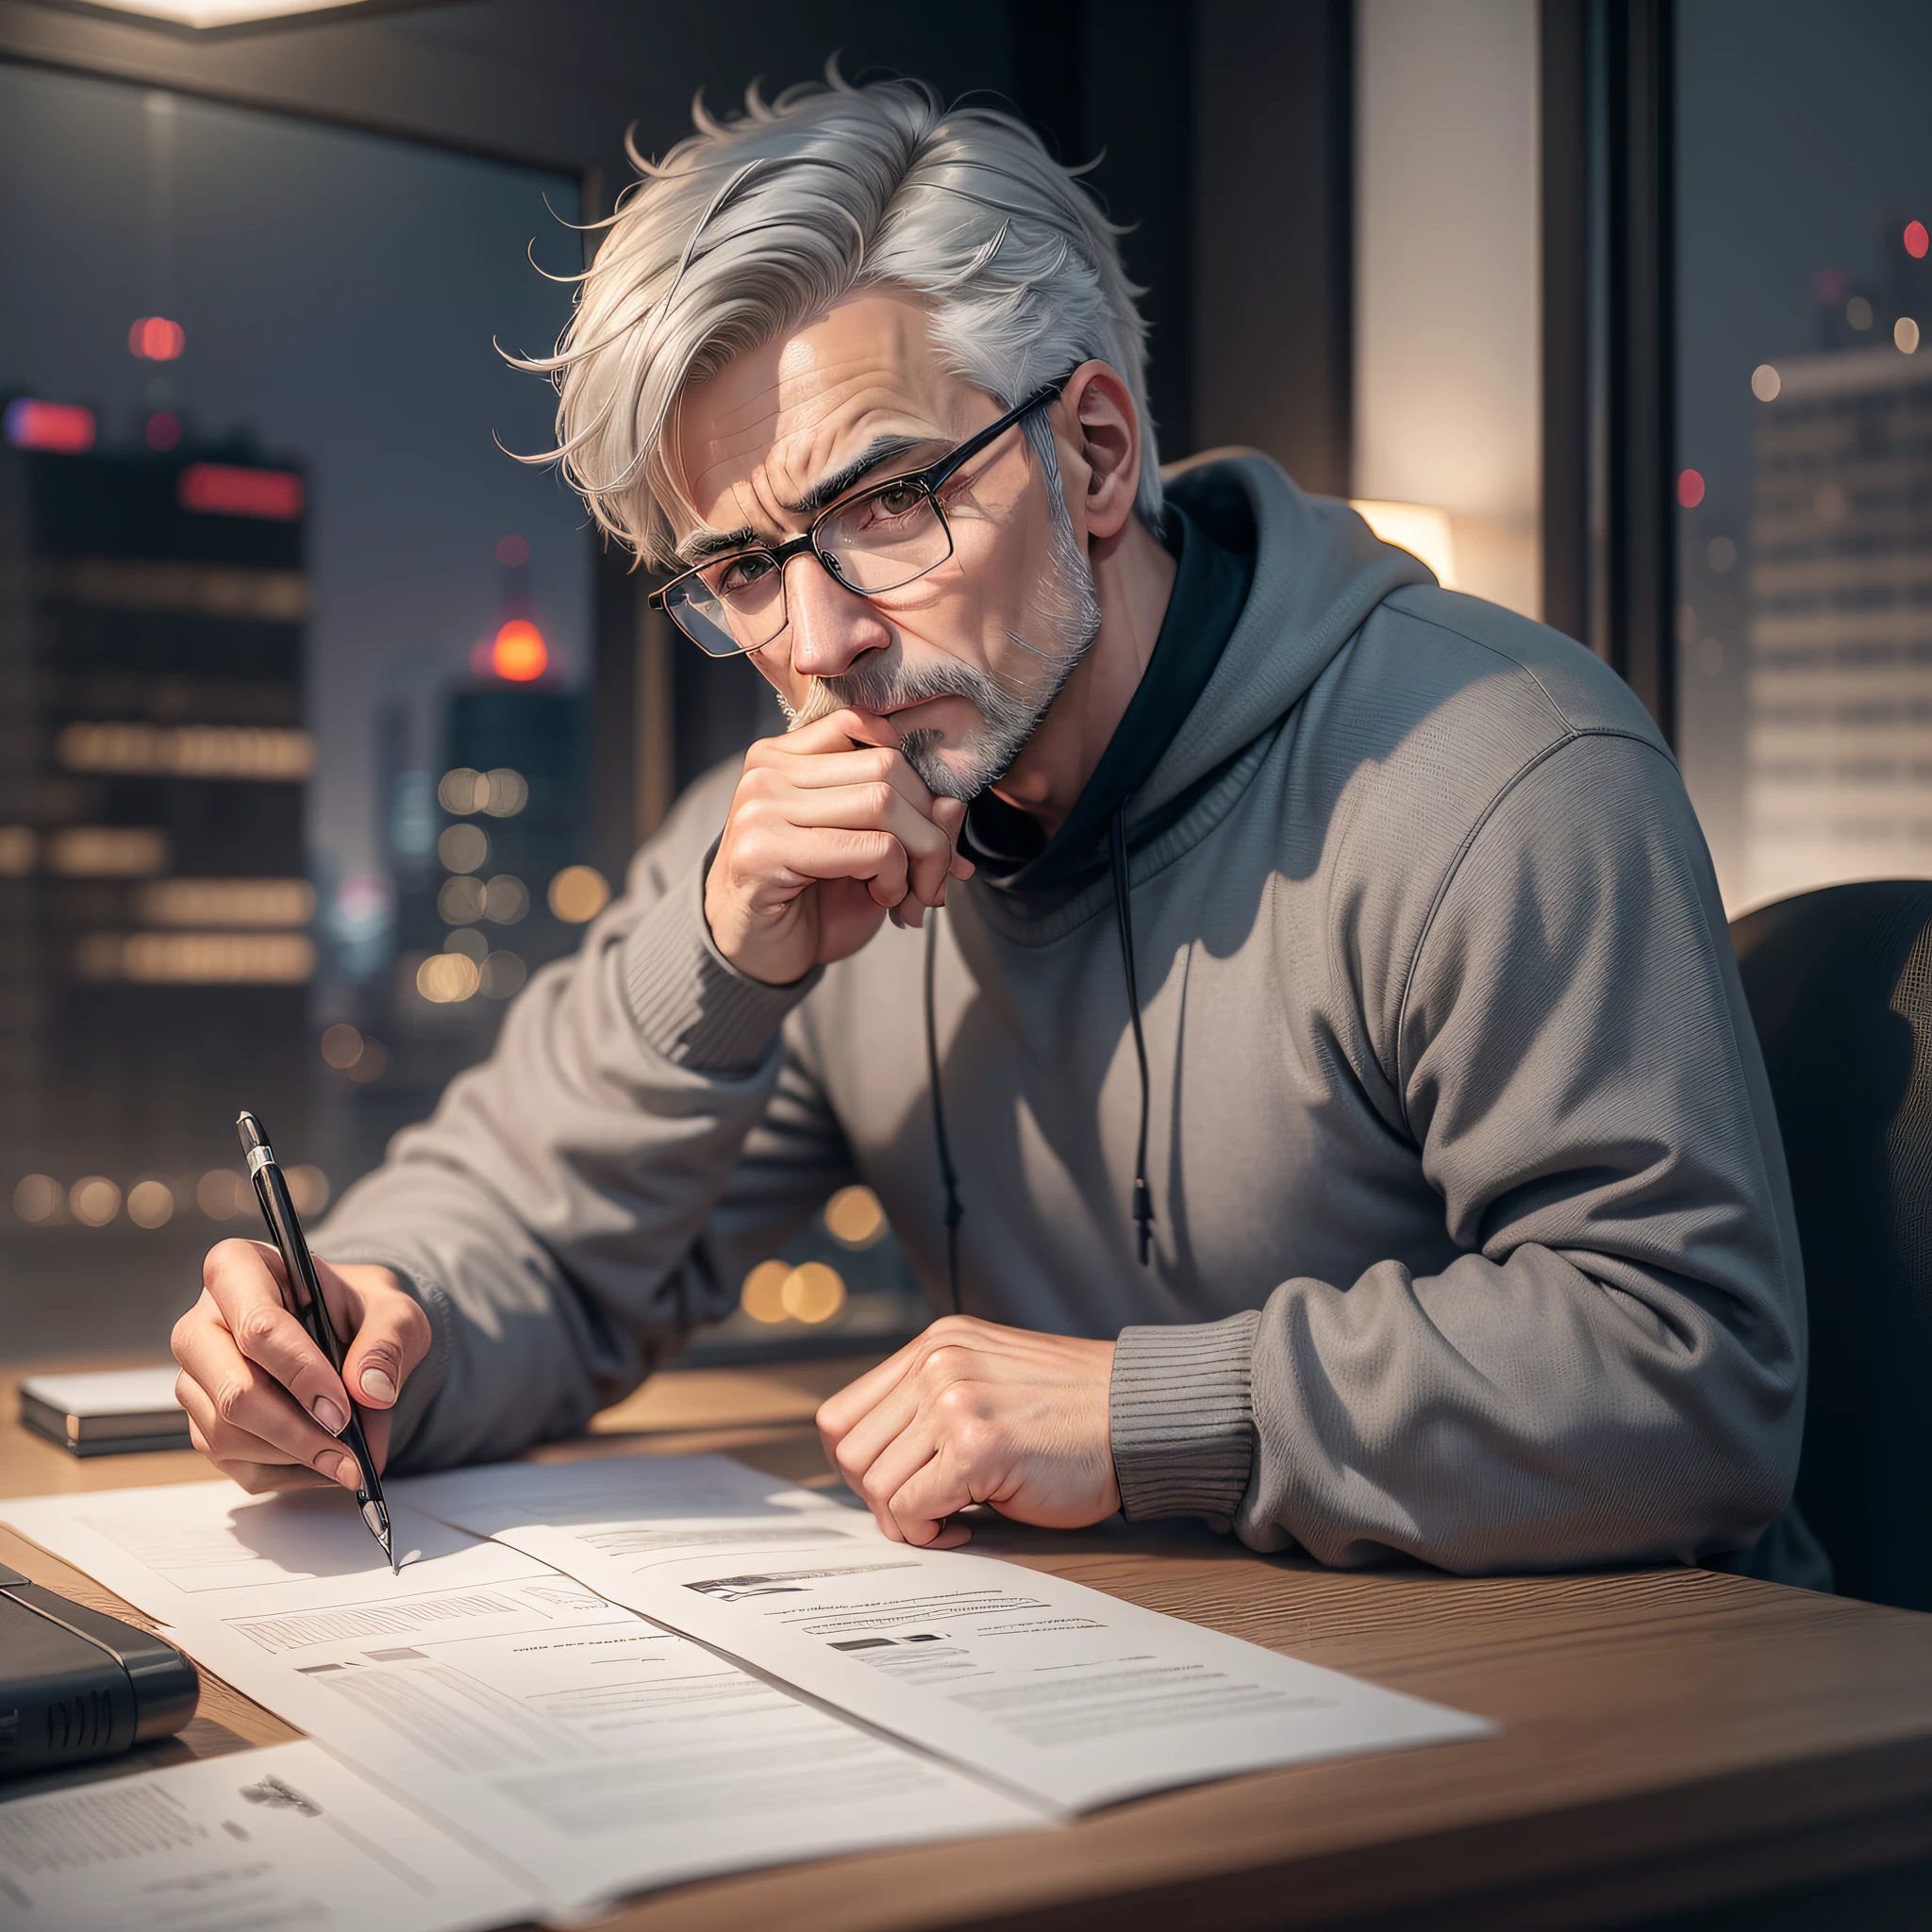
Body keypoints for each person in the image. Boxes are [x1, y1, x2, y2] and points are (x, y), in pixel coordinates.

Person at [170, 75, 1824, 1586]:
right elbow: (537, 1251)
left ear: (1092, 452)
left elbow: (1687, 1368)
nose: (817, 645)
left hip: (1593, 1753)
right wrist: (358, 1332)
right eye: (744, 569)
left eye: (885, 503)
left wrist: (1128, 1412)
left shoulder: (1496, 771)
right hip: (1130, 1710)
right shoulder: (820, 810)